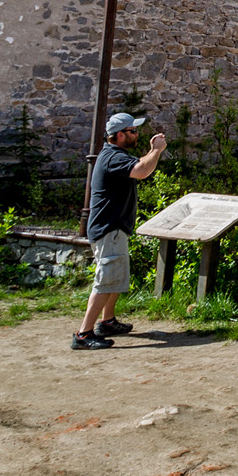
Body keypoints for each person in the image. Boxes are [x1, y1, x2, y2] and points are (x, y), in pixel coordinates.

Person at [73, 111, 167, 350]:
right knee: (106, 281)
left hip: (113, 229)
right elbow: (142, 171)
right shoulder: (113, 157)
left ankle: (108, 321)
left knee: (114, 278)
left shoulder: (114, 155)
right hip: (109, 229)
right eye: (133, 131)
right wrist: (156, 150)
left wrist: (151, 152)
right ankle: (83, 335)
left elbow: (138, 166)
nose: (137, 134)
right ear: (118, 136)